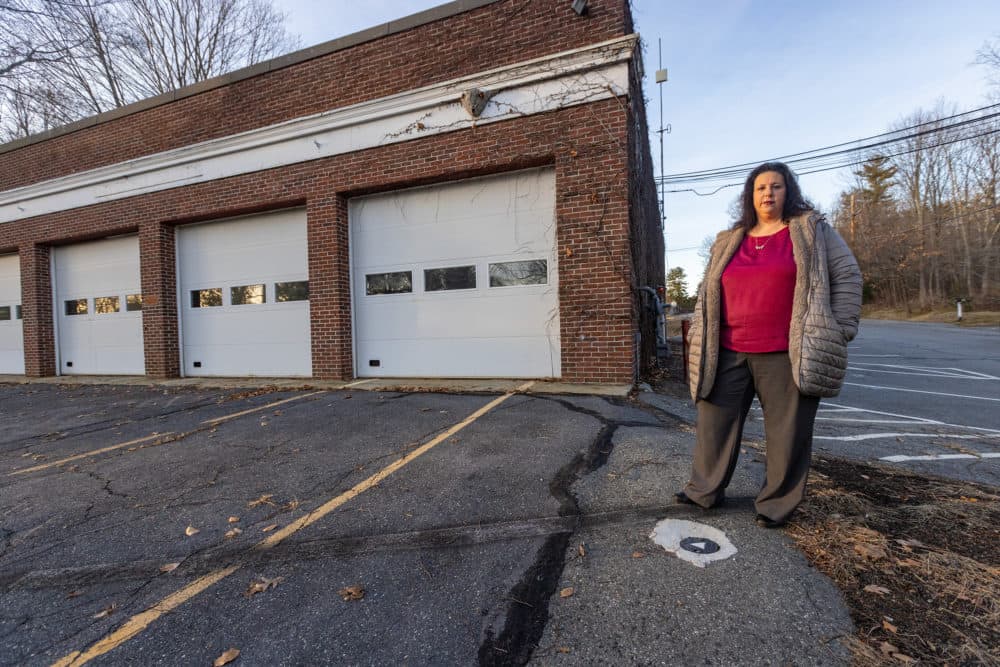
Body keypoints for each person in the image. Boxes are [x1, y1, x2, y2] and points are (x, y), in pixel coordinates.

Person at [678, 162, 862, 528]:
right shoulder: (730, 239)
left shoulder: (812, 231)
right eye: (760, 188)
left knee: (787, 433)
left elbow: (847, 275)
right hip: (727, 349)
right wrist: (700, 326)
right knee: (713, 424)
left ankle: (775, 505)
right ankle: (704, 491)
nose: (767, 194)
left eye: (775, 187)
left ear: (787, 191)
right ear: (750, 196)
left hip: (786, 352)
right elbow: (708, 291)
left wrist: (838, 327)